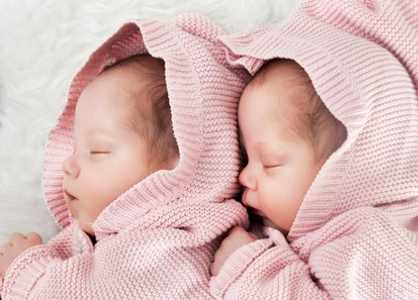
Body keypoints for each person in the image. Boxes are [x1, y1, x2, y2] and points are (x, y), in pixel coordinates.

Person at [209, 0, 418, 299]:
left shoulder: (384, 249)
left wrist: (252, 271)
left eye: (269, 162)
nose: (244, 176)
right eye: (246, 157)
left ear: (344, 171)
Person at [0, 16, 248, 299]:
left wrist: (29, 273)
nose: (68, 166)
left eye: (97, 151)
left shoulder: (171, 242)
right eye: (74, 149)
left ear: (179, 166)